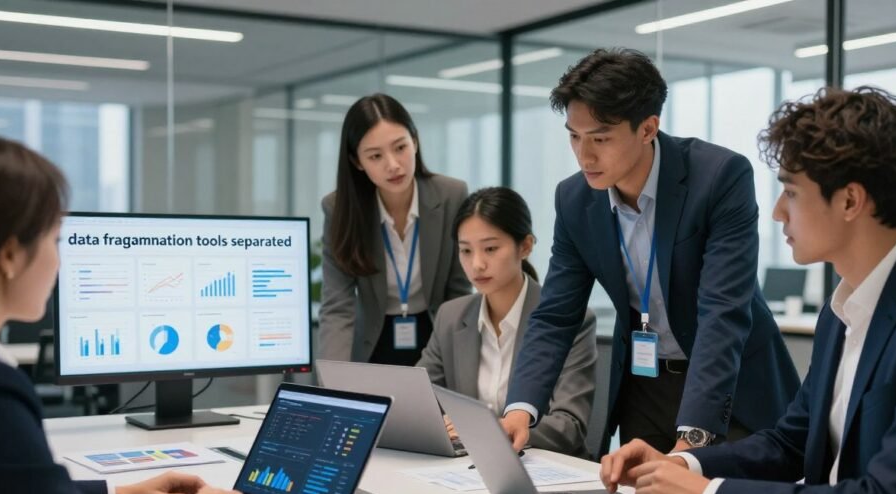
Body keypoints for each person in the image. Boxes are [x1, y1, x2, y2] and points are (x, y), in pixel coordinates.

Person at [600, 87, 896, 494]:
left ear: (851, 200)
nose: (777, 212)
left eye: (791, 192)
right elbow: (791, 442)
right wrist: (682, 465)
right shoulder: (845, 304)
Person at [0, 135, 256, 494]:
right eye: (55, 238)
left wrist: (119, 492)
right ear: (10, 254)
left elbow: (8, 491)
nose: (61, 260)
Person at [503, 49, 800, 457]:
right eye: (574, 136)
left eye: (601, 138)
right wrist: (521, 409)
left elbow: (723, 313)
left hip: (729, 388)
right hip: (644, 387)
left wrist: (694, 436)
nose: (584, 155)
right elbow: (556, 314)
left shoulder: (719, 178)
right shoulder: (574, 199)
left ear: (647, 129)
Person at [417, 187, 596, 457]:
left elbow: (568, 427)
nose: (477, 264)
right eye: (465, 251)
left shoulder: (569, 319)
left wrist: (488, 432)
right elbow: (419, 401)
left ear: (525, 246)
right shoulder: (451, 317)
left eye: (490, 248)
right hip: (468, 465)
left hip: (544, 467)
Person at [318, 94, 471, 366]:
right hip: (372, 343)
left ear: (415, 141)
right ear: (357, 161)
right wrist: (333, 379)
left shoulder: (451, 195)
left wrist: (460, 361)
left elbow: (458, 290)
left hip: (436, 335)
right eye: (375, 156)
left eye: (400, 147)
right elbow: (338, 308)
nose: (393, 165)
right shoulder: (339, 209)